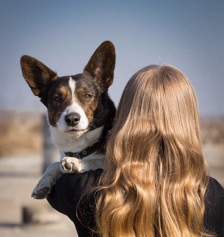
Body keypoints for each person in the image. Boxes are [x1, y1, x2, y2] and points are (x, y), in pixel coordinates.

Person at [47, 65, 224, 237]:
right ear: (189, 122)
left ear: (124, 117)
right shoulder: (213, 194)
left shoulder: (77, 188)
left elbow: (55, 184)